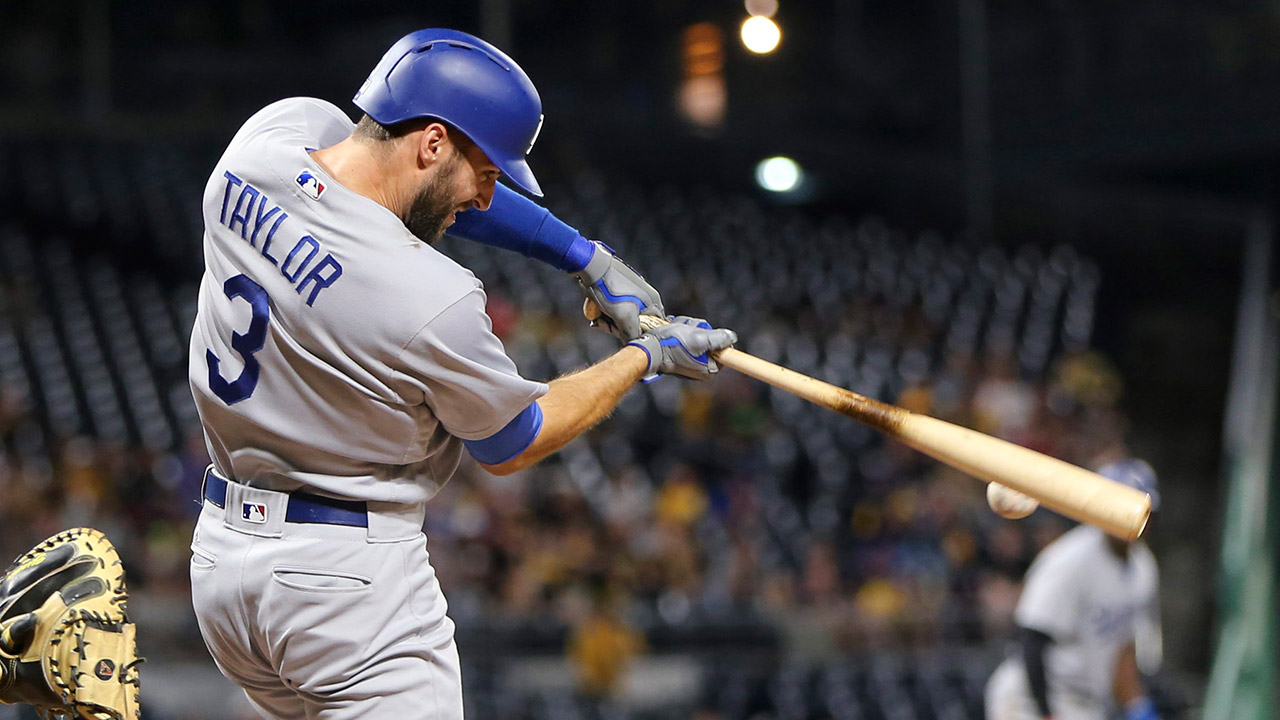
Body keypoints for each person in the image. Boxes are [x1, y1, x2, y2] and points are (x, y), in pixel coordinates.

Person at [187, 28, 737, 719]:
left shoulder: (261, 146)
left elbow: (380, 182)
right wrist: (644, 359)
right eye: (486, 171)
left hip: (222, 564)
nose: (485, 196)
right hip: (342, 589)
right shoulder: (428, 294)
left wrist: (582, 256)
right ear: (434, 142)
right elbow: (513, 442)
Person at [984, 459, 1163, 720]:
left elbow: (1125, 647)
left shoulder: (1144, 567)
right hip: (1028, 700)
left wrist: (1137, 707)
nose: (1126, 518)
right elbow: (1032, 639)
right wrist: (1046, 713)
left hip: (1086, 705)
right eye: (1118, 508)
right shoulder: (1070, 560)